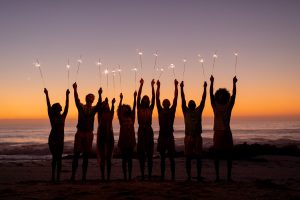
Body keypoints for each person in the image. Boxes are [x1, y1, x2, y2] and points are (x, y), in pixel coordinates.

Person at [70, 82, 102, 182]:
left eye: (92, 96)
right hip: (80, 133)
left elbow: (99, 105)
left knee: (86, 156)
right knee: (76, 155)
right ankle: (73, 176)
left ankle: (83, 176)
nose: (90, 97)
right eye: (89, 96)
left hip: (88, 133)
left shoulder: (93, 109)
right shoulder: (81, 107)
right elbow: (76, 100)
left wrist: (100, 94)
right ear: (86, 98)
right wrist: (75, 89)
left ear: (93, 100)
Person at [210, 75, 237, 182]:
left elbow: (234, 95)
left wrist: (234, 83)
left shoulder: (229, 106)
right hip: (217, 132)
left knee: (229, 156)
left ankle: (228, 177)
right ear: (217, 96)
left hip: (226, 132)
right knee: (216, 155)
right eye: (219, 95)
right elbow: (210, 95)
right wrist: (212, 82)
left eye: (223, 95)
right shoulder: (215, 105)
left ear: (225, 96)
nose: (221, 96)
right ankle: (217, 177)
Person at [180, 80, 207, 181]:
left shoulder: (198, 111)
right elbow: (183, 99)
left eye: (193, 103)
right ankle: (188, 176)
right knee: (188, 157)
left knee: (199, 157)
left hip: (197, 136)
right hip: (188, 136)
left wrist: (205, 88)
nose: (191, 103)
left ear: (195, 105)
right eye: (190, 103)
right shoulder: (185, 111)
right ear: (188, 105)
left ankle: (199, 176)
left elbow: (203, 99)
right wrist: (181, 88)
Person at [44, 88, 69, 182]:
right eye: (59, 105)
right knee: (55, 158)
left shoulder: (63, 116)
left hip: (60, 140)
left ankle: (58, 177)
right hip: (53, 140)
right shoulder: (52, 115)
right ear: (56, 108)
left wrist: (67, 95)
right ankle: (53, 177)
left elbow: (67, 106)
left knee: (60, 159)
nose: (61, 106)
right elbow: (48, 105)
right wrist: (46, 94)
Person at [156, 79, 178, 181]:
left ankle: (173, 176)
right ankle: (163, 176)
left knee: (171, 158)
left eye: (166, 102)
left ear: (168, 104)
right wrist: (158, 87)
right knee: (163, 158)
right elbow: (157, 99)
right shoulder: (160, 110)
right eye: (164, 102)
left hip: (169, 136)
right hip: (162, 136)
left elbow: (175, 98)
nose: (164, 103)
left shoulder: (172, 111)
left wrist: (176, 86)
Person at [137, 78, 155, 180]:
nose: (146, 100)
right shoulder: (139, 108)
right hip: (141, 131)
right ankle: (143, 174)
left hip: (149, 130)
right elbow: (138, 97)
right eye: (144, 99)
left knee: (149, 154)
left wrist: (152, 86)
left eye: (147, 99)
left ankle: (149, 174)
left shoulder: (150, 108)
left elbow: (153, 97)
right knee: (142, 154)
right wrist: (141, 85)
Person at [117, 91, 137, 181]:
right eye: (123, 109)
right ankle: (125, 176)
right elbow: (119, 110)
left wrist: (135, 97)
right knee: (124, 159)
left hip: (131, 140)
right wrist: (121, 99)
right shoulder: (121, 118)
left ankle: (129, 176)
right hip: (123, 140)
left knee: (130, 159)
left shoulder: (132, 118)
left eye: (126, 108)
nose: (125, 109)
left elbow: (134, 107)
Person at [97, 97, 115, 181]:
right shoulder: (100, 114)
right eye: (105, 105)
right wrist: (100, 95)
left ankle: (108, 176)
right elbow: (100, 108)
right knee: (102, 157)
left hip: (109, 136)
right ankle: (103, 176)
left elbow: (112, 110)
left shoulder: (110, 114)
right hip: (101, 136)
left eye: (107, 105)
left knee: (108, 158)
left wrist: (112, 104)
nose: (106, 106)